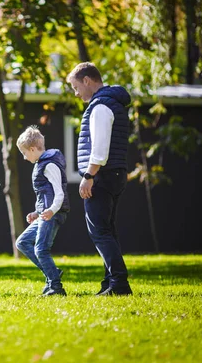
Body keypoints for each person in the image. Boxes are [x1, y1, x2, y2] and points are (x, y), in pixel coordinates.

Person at [66, 62, 133, 296]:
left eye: (75, 87)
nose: (75, 93)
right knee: (107, 230)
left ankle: (119, 283)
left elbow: (100, 148)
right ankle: (109, 283)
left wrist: (88, 175)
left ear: (87, 81)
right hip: (115, 174)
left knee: (99, 231)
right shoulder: (113, 103)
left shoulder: (100, 106)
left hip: (101, 176)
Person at [15, 126, 70, 296]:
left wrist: (51, 211)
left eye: (24, 153)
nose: (24, 157)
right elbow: (45, 195)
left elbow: (59, 193)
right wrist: (37, 213)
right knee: (22, 242)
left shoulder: (49, 165)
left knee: (41, 249)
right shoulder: (41, 164)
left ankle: (56, 287)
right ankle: (52, 272)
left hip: (53, 213)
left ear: (32, 149)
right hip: (45, 213)